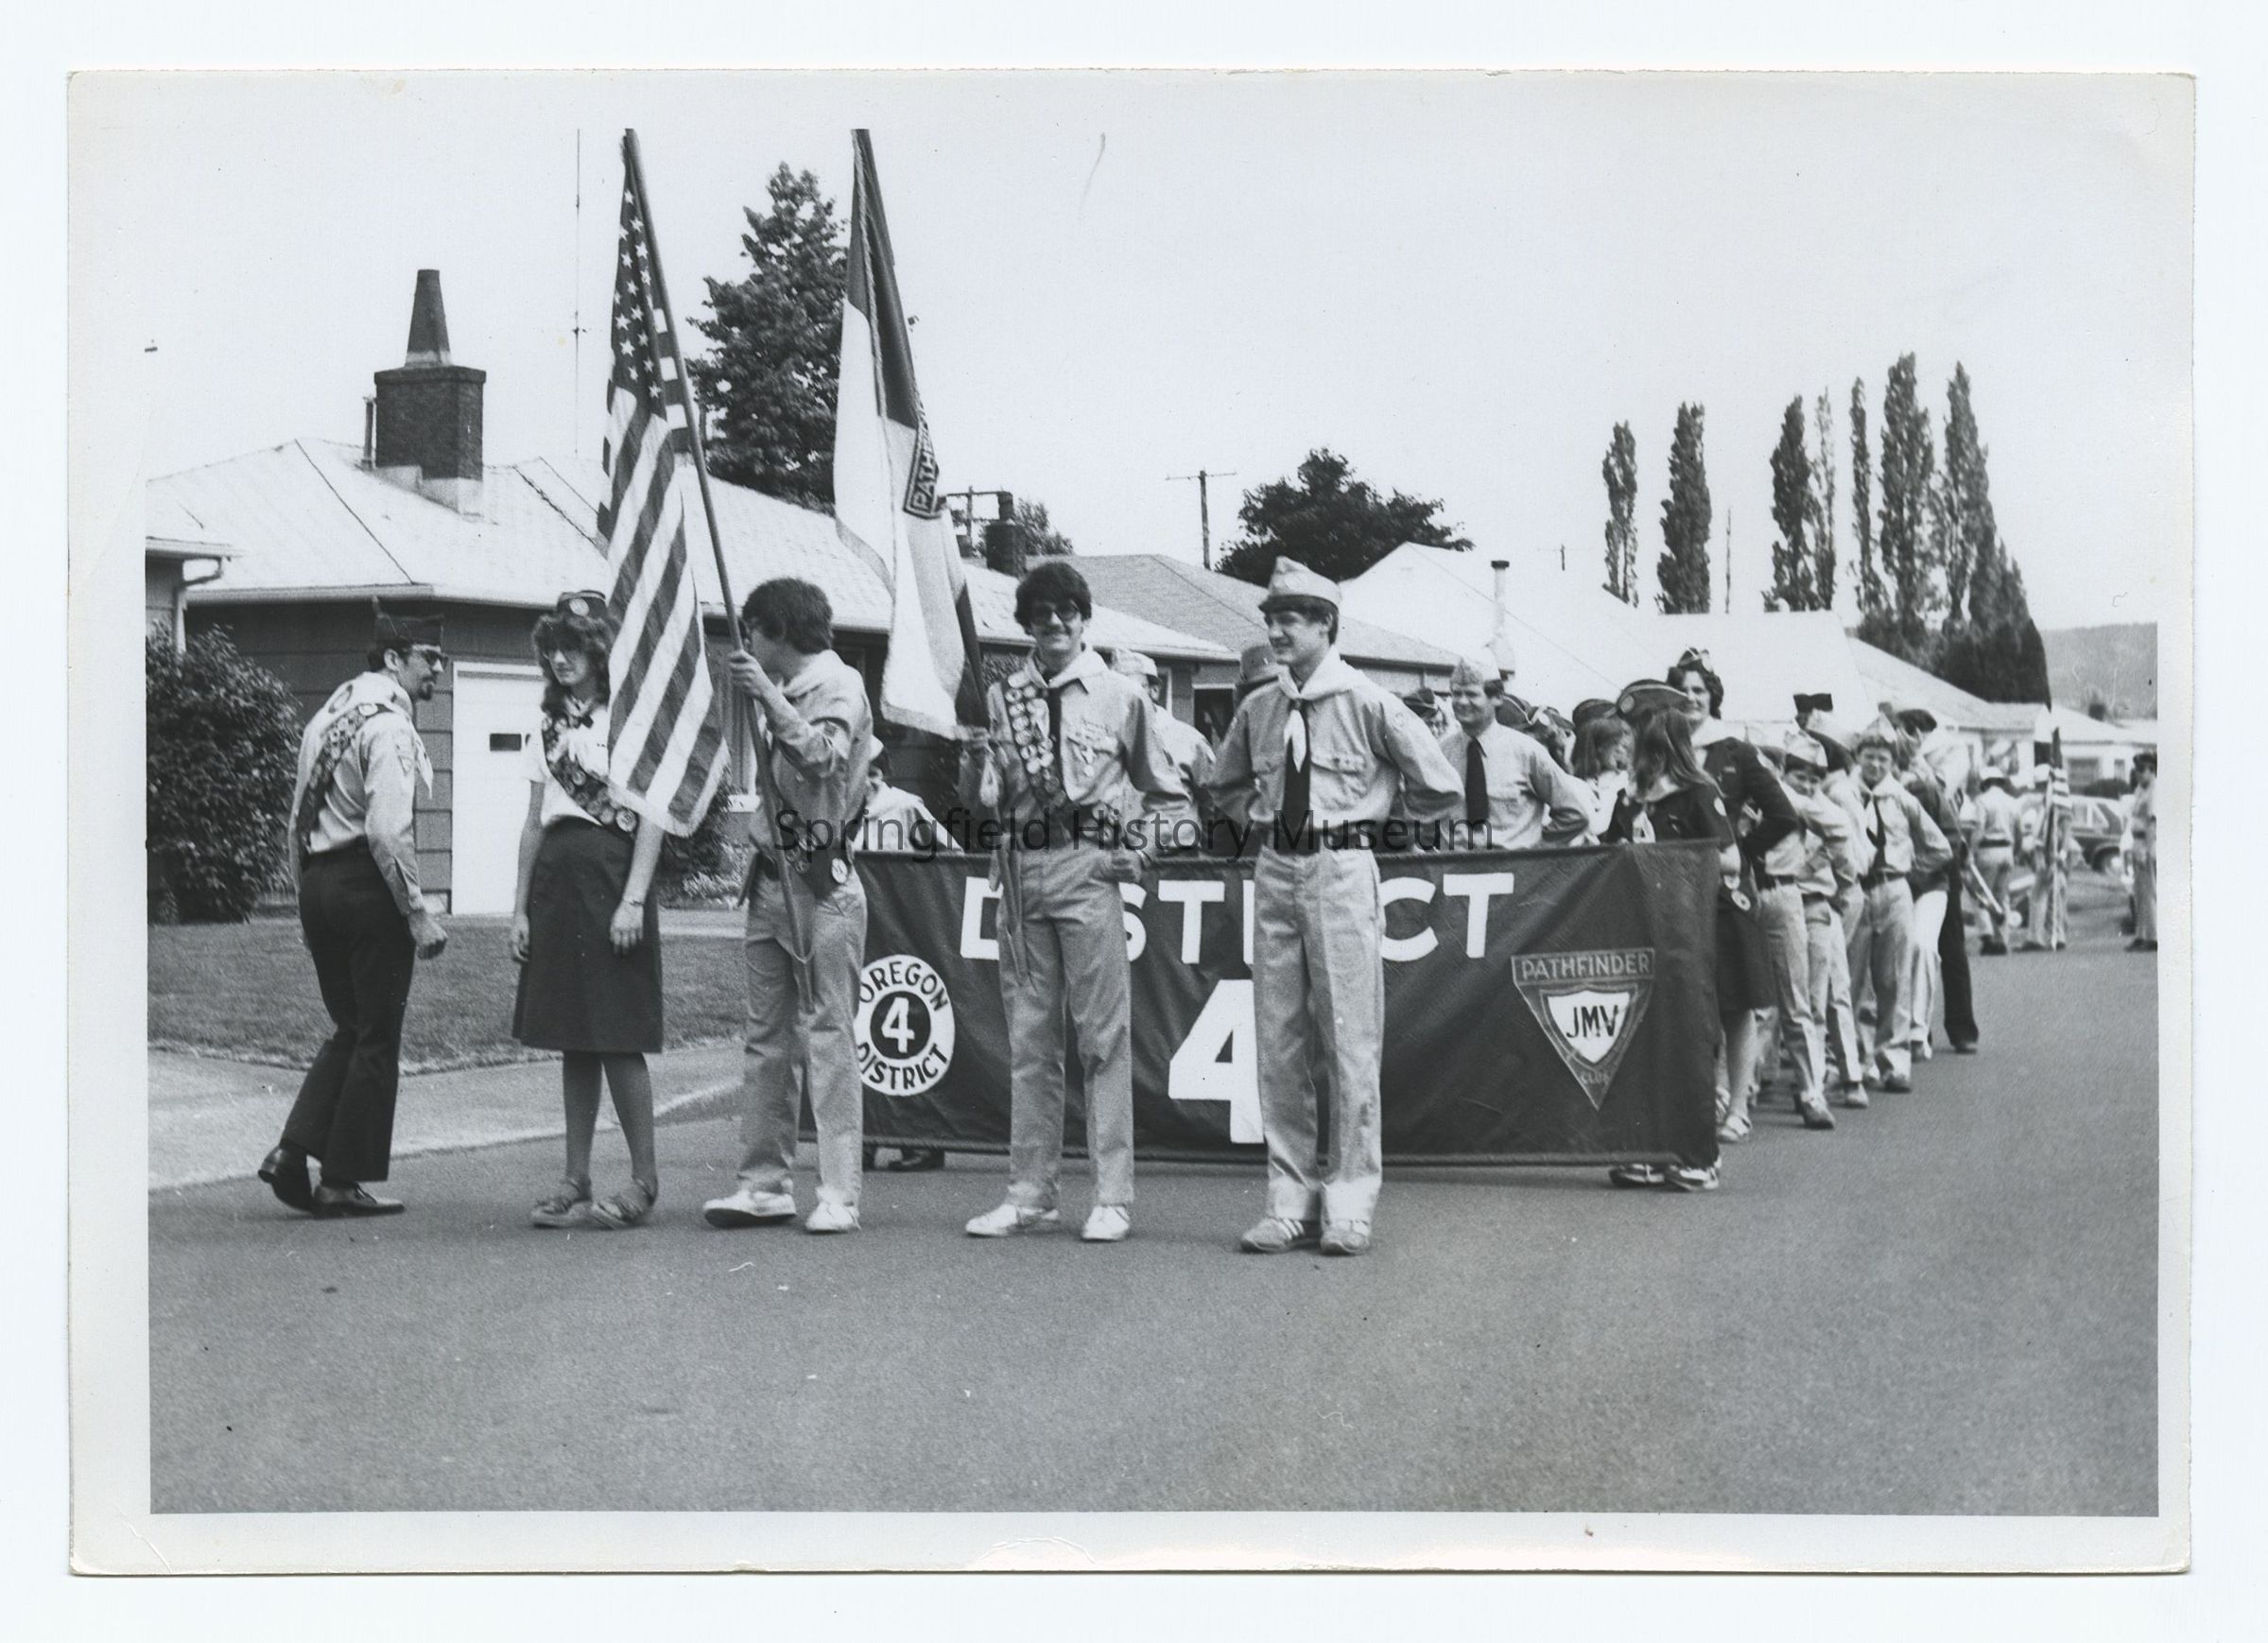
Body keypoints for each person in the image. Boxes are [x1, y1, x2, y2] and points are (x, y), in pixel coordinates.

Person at [1208, 559, 1463, 1254]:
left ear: (1325, 625)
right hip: (1276, 869)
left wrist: (1376, 824)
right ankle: (1287, 1201)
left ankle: (1349, 1203)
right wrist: (1261, 821)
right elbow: (1225, 785)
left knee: (1350, 1041)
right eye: (1270, 619)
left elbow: (1439, 787)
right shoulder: (1260, 708)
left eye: (1289, 619)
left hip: (1341, 868)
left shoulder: (1369, 702)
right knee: (1278, 1042)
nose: (1275, 632)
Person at [960, 560, 1184, 1243]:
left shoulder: (1122, 696)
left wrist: (1140, 851)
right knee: (1030, 1042)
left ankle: (1112, 1197)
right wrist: (973, 760)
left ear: (1084, 619)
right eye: (1040, 614)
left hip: (1089, 868)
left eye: (1066, 612)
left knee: (1102, 1041)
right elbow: (979, 803)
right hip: (1021, 869)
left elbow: (1171, 799)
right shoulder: (1002, 698)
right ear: (1026, 624)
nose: (1053, 623)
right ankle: (1030, 1194)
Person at [259, 607, 450, 1219]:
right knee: (376, 1036)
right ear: (393, 659)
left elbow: (296, 819)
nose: (438, 670)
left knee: (350, 1026)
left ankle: (291, 1151)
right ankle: (340, 1180)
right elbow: (388, 831)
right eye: (428, 657)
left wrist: (304, 897)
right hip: (367, 887)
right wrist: (416, 911)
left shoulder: (329, 714)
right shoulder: (390, 725)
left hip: (320, 882)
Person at [701, 579, 875, 1236]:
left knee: (828, 1037)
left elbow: (824, 758)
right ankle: (763, 1184)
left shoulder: (838, 685)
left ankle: (839, 1193)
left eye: (753, 630)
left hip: (821, 885)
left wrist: (768, 698)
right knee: (766, 1042)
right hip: (770, 879)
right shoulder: (790, 687)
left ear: (776, 631)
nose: (747, 643)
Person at [510, 592, 668, 1231]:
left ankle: (644, 1180)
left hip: (612, 876)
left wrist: (633, 897)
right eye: (553, 647)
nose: (560, 658)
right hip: (557, 880)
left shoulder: (630, 721)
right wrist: (518, 909)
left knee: (617, 1033)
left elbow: (652, 815)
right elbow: (532, 823)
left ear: (601, 652)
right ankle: (575, 1178)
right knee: (572, 1036)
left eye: (573, 646)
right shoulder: (545, 726)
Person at [1601, 685, 1748, 1191]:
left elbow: (1730, 859)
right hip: (1639, 930)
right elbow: (1610, 851)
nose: (1627, 743)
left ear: (1657, 736)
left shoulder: (1697, 792)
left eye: (1633, 733)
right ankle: (1649, 1150)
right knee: (1643, 1041)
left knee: (1687, 1042)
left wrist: (1668, 857)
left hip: (1686, 934)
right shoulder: (1630, 796)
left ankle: (1698, 1155)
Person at [1669, 650, 1800, 1144]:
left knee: (1737, 1003)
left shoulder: (1736, 751)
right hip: (1674, 890)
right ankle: (1702, 1099)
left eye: (1699, 691)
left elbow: (1784, 815)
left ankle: (1738, 1106)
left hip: (1726, 892)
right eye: (1683, 691)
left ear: (1713, 697)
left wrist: (1743, 852)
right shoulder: (1665, 747)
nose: (1691, 699)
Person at [1844, 718, 1954, 1092]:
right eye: (1869, 756)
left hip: (1893, 889)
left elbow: (1940, 848)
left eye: (1883, 758)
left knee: (1894, 977)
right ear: (1857, 757)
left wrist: (1909, 872)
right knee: (1854, 977)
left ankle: (1894, 1060)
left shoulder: (1903, 799)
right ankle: (1858, 1061)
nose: (1875, 765)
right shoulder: (1844, 796)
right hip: (1857, 889)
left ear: (1893, 762)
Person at [1775, 732, 1861, 1129]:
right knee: (1771, 1002)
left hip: (1815, 905)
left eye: (1814, 779)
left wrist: (1841, 886)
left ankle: (1815, 1083)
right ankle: (1761, 1079)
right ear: (1784, 773)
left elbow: (1846, 850)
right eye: (1800, 777)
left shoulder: (1827, 809)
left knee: (1816, 997)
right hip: (1778, 900)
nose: (1807, 785)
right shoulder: (1775, 800)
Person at [1438, 655, 1594, 850]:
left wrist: (1536, 849)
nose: (1461, 701)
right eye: (1456, 694)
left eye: (1471, 694)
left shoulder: (1526, 752)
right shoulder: (1440, 752)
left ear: (1497, 698)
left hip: (1513, 864)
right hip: (1455, 864)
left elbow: (1575, 814)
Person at [1894, 706, 1978, 1057]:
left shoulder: (1952, 751)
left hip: (1943, 849)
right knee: (1911, 945)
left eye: (1906, 729)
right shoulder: (1895, 754)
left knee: (1950, 941)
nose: (1902, 736)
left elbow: (1938, 789)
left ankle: (1961, 1028)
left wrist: (1916, 760)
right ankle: (1918, 1028)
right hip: (1905, 852)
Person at [1113, 648, 1213, 854]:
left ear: (1154, 691)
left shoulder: (1188, 740)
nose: (1124, 697)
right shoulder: (1106, 742)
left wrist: (1206, 855)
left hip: (1175, 857)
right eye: (1116, 690)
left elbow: (1213, 801)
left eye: (1133, 688)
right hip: (1119, 855)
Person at [1970, 768, 2024, 955]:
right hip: (2007, 850)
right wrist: (2016, 852)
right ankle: (2002, 939)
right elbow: (2019, 831)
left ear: (1985, 783)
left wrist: (1971, 852)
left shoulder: (1982, 801)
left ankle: (1987, 936)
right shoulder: (2013, 802)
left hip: (1988, 849)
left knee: (1981, 895)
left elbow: (1979, 829)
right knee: (2002, 897)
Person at [858, 738, 943, 855]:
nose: (866, 783)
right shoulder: (837, 813)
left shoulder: (906, 805)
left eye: (872, 774)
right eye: (857, 777)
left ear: (884, 775)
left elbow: (952, 854)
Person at [1567, 707, 1635, 839]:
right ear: (1598, 748)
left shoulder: (1624, 779)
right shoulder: (1576, 784)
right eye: (1615, 743)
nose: (1621, 749)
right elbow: (1596, 827)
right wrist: (1615, 790)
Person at [2126, 751, 2158, 952]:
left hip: (2147, 842)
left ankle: (2153, 936)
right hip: (2137, 841)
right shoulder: (2141, 790)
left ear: (2151, 770)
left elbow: (2152, 822)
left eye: (2141, 770)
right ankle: (2141, 934)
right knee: (2139, 891)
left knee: (2149, 891)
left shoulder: (2155, 790)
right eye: (2137, 770)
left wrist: (2149, 847)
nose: (2138, 774)